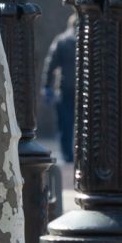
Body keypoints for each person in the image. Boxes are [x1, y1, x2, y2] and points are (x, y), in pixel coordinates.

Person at [43, 15, 78, 162]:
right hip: (83, 89)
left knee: (65, 124)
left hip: (64, 88)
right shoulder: (87, 40)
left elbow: (50, 64)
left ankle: (67, 155)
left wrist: (46, 86)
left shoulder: (62, 40)